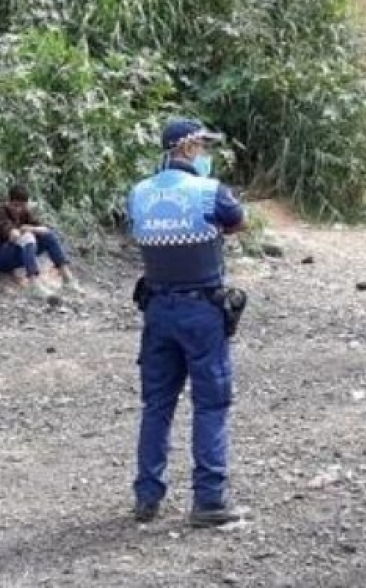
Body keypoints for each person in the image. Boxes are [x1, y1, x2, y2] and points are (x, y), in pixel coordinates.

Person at [127, 117, 247, 528]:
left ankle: (147, 496)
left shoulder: (139, 193)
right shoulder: (210, 192)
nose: (206, 155)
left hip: (158, 307)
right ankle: (209, 500)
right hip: (202, 309)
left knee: (156, 404)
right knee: (211, 402)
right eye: (203, 147)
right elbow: (235, 221)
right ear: (190, 148)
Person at [0, 184, 83, 298]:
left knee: (48, 236)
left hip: (14, 253)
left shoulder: (25, 212)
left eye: (21, 206)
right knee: (28, 237)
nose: (18, 210)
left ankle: (67, 279)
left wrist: (30, 228)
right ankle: (34, 284)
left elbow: (44, 229)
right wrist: (18, 232)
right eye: (15, 205)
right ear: (8, 201)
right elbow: (9, 232)